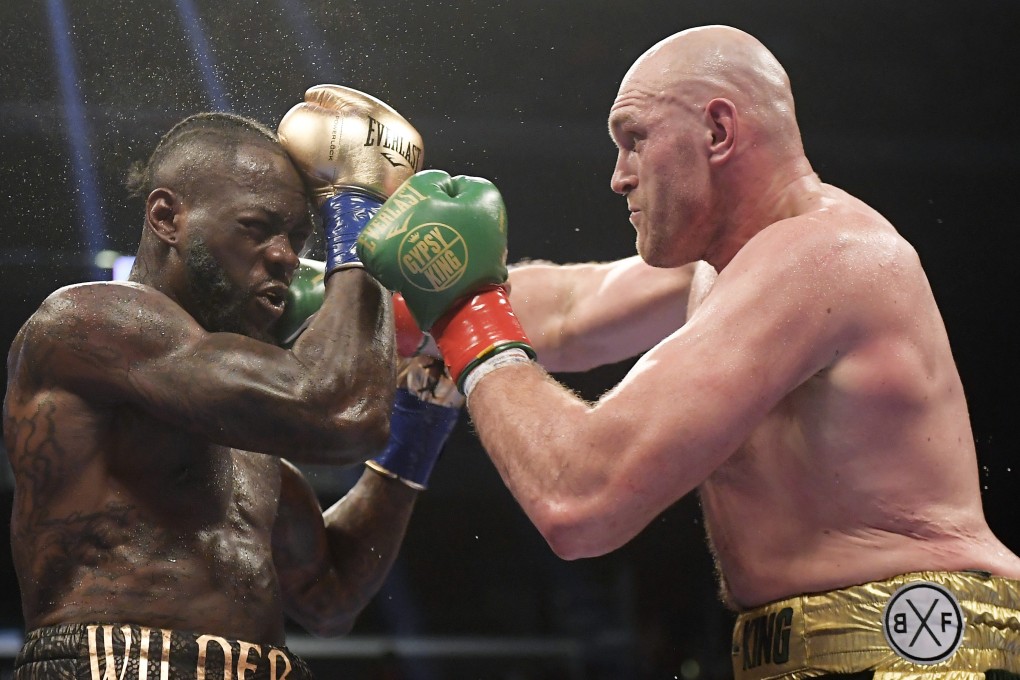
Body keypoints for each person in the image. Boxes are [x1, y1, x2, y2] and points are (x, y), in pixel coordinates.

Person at [355, 25, 1020, 679]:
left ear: (718, 132)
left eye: (635, 139)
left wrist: (466, 310)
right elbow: (566, 310)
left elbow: (581, 498)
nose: (619, 177)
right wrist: (346, 301)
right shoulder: (733, 265)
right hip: (826, 650)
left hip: (918, 651)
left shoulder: (824, 256)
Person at [2, 91, 460, 679]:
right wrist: (358, 214)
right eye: (257, 228)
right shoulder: (91, 322)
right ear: (167, 218)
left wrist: (422, 420)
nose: (286, 258)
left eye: (299, 238)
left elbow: (329, 596)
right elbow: (340, 411)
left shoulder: (243, 420)